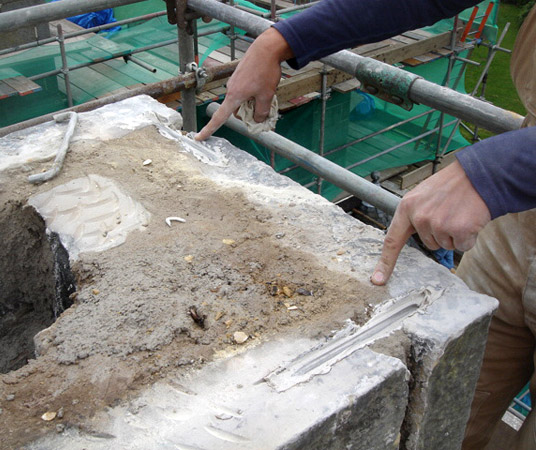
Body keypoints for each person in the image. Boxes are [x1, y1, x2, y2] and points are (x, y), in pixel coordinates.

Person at [194, 1, 536, 447]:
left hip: (516, 184)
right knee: (447, 409)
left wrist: (500, 170)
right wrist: (283, 40)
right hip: (517, 220)